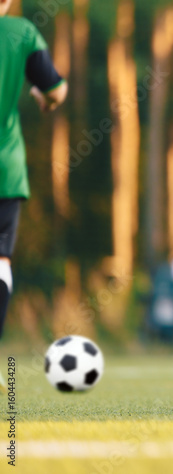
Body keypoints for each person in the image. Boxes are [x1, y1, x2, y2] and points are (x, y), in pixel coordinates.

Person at [0, 0, 67, 341]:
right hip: (5, 168)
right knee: (0, 261)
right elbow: (57, 90)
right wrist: (44, 96)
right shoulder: (21, 32)